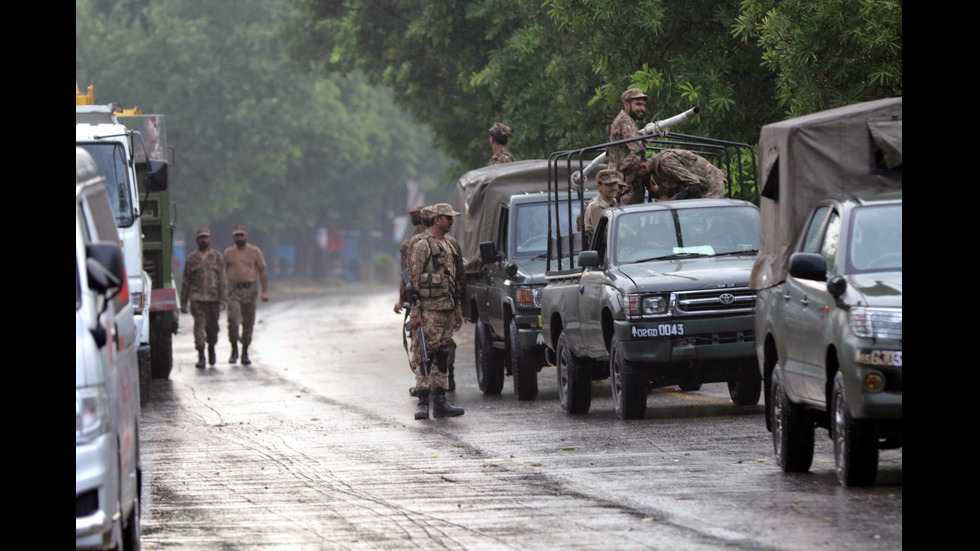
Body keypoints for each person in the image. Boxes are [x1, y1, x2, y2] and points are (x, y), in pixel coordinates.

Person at [408, 203, 466, 419]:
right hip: (429, 311)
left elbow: (455, 282)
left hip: (447, 310)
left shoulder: (450, 245)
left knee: (443, 354)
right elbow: (413, 283)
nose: (451, 222)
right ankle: (423, 401)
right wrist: (415, 313)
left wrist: (458, 310)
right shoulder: (422, 246)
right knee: (426, 354)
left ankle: (440, 402)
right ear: (437, 219)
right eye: (447, 218)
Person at [180, 227, 228, 368]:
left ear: (210, 239)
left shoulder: (217, 256)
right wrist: (183, 302)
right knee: (199, 327)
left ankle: (211, 349)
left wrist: (224, 298)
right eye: (201, 237)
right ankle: (201, 355)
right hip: (197, 299)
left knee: (212, 328)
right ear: (196, 240)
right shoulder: (192, 259)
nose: (203, 239)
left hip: (213, 299)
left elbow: (222, 278)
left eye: (206, 237)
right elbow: (186, 281)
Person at [223, 225, 269, 365]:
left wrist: (265, 291)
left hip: (250, 290)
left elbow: (261, 271)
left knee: (248, 322)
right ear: (233, 237)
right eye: (237, 235)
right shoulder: (228, 252)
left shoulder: (255, 251)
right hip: (234, 291)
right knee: (233, 321)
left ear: (246, 236)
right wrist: (222, 292)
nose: (239, 238)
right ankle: (234, 349)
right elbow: (222, 273)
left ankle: (245, 351)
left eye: (242, 235)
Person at [607, 88, 649, 205]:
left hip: (619, 180)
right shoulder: (626, 121)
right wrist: (650, 185)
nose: (642, 109)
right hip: (624, 182)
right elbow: (638, 154)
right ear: (626, 105)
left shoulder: (624, 120)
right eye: (638, 104)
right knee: (629, 220)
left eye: (644, 105)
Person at [647, 149, 727, 201]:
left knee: (704, 215)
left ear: (644, 166)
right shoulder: (657, 170)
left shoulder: (666, 161)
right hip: (699, 186)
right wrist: (655, 190)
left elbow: (695, 186)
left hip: (711, 184)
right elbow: (671, 188)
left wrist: (670, 201)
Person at [582, 169, 625, 245]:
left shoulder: (613, 202)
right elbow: (606, 235)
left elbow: (622, 227)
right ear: (598, 187)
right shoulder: (596, 206)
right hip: (603, 250)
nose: (613, 187)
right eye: (608, 184)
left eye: (615, 183)